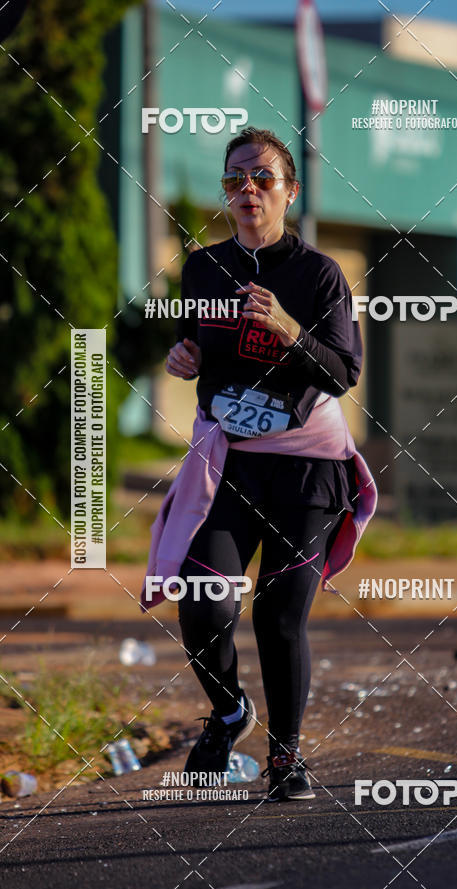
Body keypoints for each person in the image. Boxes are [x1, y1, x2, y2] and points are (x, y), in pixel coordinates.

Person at [157, 126, 376, 801]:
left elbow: (343, 373)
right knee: (202, 602)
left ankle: (286, 756)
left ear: (289, 192)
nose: (247, 190)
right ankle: (228, 714)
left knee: (279, 614)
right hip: (232, 465)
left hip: (306, 471)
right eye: (234, 179)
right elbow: (192, 345)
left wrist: (290, 328)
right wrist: (183, 356)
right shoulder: (201, 268)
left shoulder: (319, 276)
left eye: (262, 178)